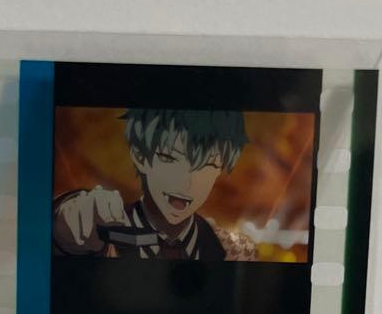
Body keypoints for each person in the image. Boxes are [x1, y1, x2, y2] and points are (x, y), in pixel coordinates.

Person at [53, 108, 255, 260]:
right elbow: (67, 233)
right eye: (169, 158)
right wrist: (70, 219)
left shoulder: (233, 249)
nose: (187, 183)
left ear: (220, 169)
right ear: (140, 156)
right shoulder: (106, 232)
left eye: (207, 165)